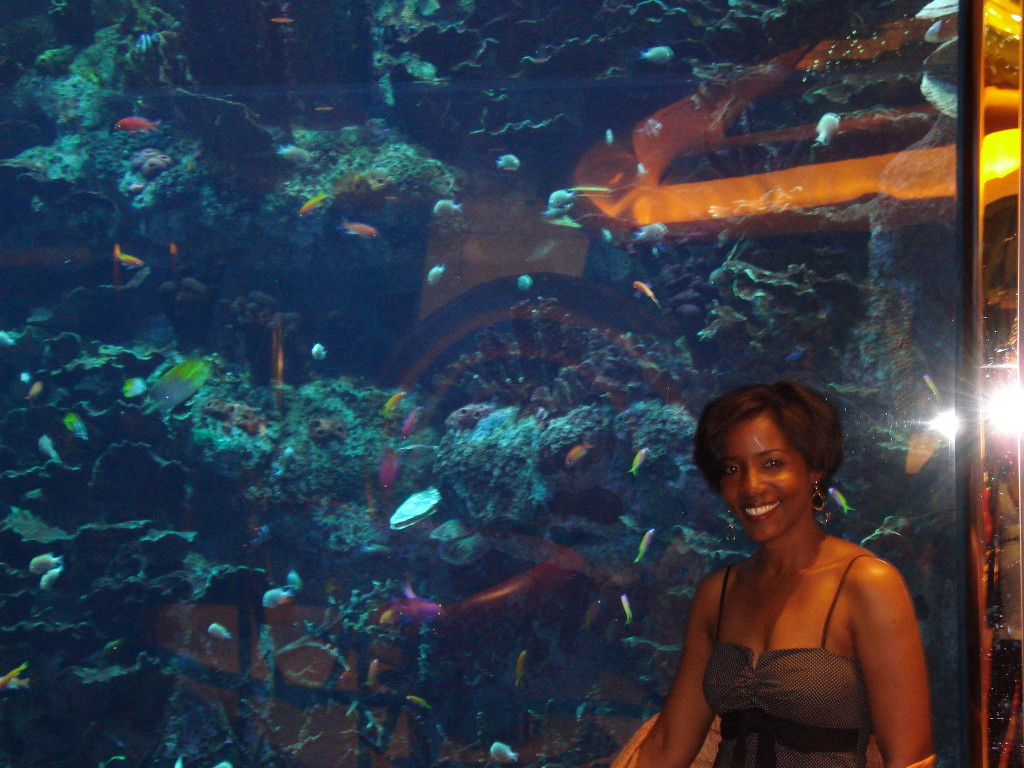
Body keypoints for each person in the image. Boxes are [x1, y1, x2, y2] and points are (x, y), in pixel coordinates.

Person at [621, 381, 933, 768]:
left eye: (772, 463)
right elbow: (668, 745)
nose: (750, 487)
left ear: (813, 468)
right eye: (732, 469)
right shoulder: (716, 594)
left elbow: (910, 758)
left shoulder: (866, 583)